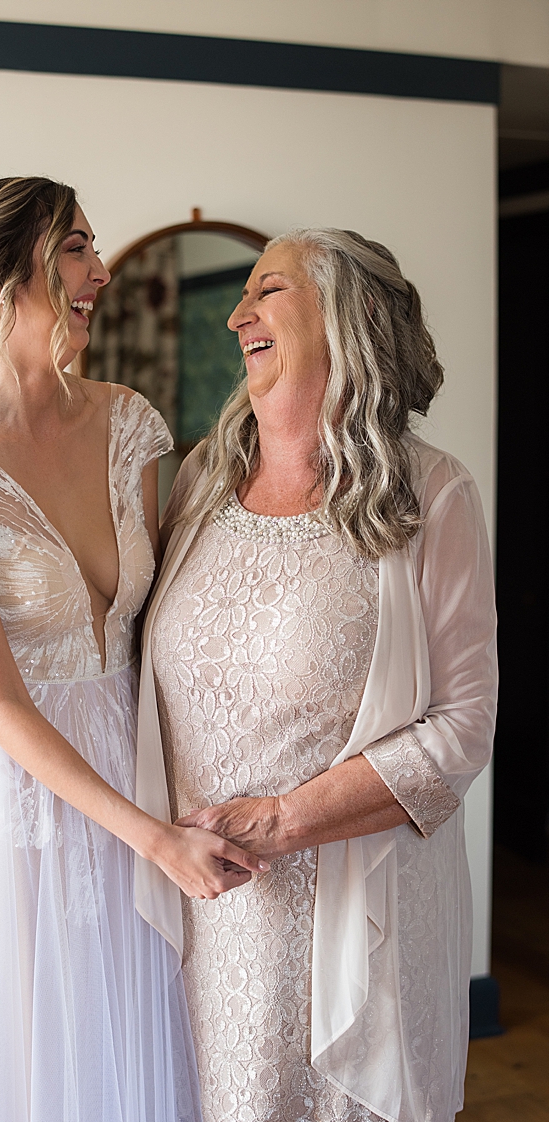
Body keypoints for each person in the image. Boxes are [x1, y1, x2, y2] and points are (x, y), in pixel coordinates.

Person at [0, 176, 263, 1122]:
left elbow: (165, 610)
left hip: (131, 758)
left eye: (93, 249)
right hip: (19, 793)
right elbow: (1, 703)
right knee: (35, 1069)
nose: (100, 273)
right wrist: (154, 839)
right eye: (78, 251)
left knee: (139, 1049)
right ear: (4, 280)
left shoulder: (128, 420)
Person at [135, 228, 497, 1121]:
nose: (237, 315)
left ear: (350, 319)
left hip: (353, 919)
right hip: (204, 917)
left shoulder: (432, 495)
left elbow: (464, 724)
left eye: (269, 290)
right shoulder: (197, 487)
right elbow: (106, 632)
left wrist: (287, 821)